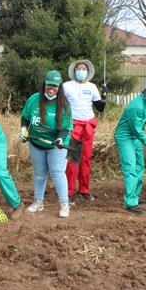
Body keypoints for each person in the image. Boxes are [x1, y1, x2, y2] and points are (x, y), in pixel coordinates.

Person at [21, 70, 73, 218]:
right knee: (39, 174)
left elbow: (65, 129)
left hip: (56, 145)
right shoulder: (34, 100)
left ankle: (64, 204)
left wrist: (60, 139)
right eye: (49, 85)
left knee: (57, 173)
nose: (52, 88)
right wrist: (24, 131)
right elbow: (25, 118)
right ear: (44, 84)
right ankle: (38, 202)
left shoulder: (64, 105)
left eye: (55, 86)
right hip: (36, 142)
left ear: (59, 87)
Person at [114, 79, 146, 214]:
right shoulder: (136, 106)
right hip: (125, 137)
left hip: (135, 137)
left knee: (140, 166)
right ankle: (130, 202)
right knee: (130, 169)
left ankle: (135, 195)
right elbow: (136, 129)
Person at [62, 59, 106, 201]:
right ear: (74, 71)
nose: (82, 71)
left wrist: (104, 96)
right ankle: (68, 191)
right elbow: (60, 105)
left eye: (84, 69)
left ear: (88, 72)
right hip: (73, 125)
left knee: (86, 158)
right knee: (72, 159)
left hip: (88, 125)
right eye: (79, 69)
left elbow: (100, 107)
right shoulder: (66, 86)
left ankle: (84, 190)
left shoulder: (92, 87)